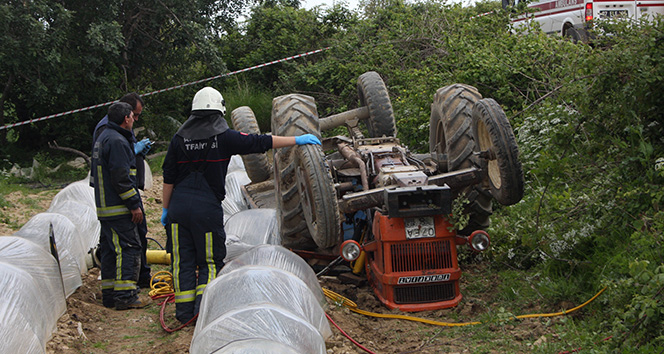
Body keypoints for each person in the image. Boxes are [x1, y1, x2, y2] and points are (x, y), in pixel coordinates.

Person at [161, 86, 322, 324]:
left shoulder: (178, 139)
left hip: (177, 208)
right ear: (219, 111)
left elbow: (168, 177)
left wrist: (166, 209)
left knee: (182, 261)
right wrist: (296, 139)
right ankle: (204, 312)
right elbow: (260, 142)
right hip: (205, 211)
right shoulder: (223, 137)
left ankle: (184, 314)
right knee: (209, 262)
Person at [91, 102, 149, 310]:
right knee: (130, 247)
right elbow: (121, 178)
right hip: (118, 208)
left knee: (109, 250)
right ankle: (126, 296)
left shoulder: (104, 138)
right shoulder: (117, 141)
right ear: (126, 118)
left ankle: (110, 294)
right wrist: (134, 205)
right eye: (133, 116)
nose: (134, 120)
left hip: (106, 208)